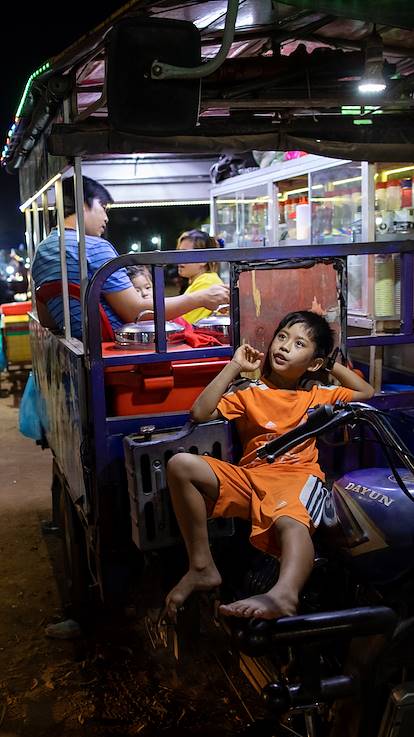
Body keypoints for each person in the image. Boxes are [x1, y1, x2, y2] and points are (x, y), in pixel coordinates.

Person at [165, 310, 374, 621]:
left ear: (314, 363)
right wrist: (234, 366)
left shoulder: (317, 395)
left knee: (291, 522)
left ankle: (284, 593)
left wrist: (330, 364)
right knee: (180, 465)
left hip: (296, 477)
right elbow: (200, 412)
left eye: (299, 343)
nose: (285, 346)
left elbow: (366, 393)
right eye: (282, 336)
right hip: (251, 479)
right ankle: (201, 566)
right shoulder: (250, 391)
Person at [32, 178, 229, 339]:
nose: (106, 218)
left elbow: (47, 319)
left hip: (80, 344)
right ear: (84, 204)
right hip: (119, 348)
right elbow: (137, 312)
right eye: (103, 207)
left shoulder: (42, 252)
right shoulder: (93, 247)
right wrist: (200, 298)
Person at [176, 230, 226, 324]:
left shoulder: (207, 282)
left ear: (203, 259)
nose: (178, 260)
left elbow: (184, 324)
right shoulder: (200, 281)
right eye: (178, 253)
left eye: (184, 254)